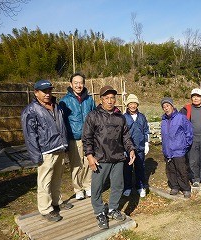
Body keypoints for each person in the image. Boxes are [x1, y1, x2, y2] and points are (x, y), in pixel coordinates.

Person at [82, 85, 136, 229]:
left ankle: (112, 209)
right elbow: (87, 138)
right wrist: (89, 156)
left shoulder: (120, 117)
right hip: (100, 159)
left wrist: (130, 149)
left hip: (118, 158)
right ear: (101, 100)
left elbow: (126, 136)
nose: (110, 101)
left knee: (118, 185)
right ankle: (99, 212)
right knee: (97, 187)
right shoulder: (93, 116)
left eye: (112, 98)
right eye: (107, 98)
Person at [21, 79, 72, 222]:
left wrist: (65, 145)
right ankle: (45, 209)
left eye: (49, 90)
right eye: (44, 91)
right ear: (36, 92)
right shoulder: (31, 111)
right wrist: (36, 155)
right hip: (46, 151)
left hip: (59, 148)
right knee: (45, 181)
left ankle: (56, 202)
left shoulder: (56, 106)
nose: (47, 94)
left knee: (57, 178)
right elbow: (30, 135)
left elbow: (62, 127)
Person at [59, 72, 96, 200]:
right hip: (73, 138)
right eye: (76, 83)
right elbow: (61, 122)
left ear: (84, 84)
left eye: (81, 83)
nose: (79, 85)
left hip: (89, 137)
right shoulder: (64, 101)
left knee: (88, 162)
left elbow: (95, 117)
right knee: (76, 164)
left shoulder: (89, 99)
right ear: (71, 84)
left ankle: (87, 185)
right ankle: (78, 188)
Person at [160, 97, 193, 198]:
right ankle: (175, 186)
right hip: (168, 150)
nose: (166, 108)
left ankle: (185, 188)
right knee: (171, 170)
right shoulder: (164, 120)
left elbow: (189, 132)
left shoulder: (181, 117)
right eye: (164, 107)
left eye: (168, 106)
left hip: (179, 149)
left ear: (172, 106)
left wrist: (185, 145)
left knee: (181, 170)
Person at [180, 88, 201, 187]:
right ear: (191, 98)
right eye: (194, 96)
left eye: (198, 96)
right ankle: (195, 178)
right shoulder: (186, 109)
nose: (196, 98)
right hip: (191, 139)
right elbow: (180, 122)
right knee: (193, 160)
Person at [123, 94, 150, 198]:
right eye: (130, 103)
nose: (133, 106)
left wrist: (146, 143)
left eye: (134, 103)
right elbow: (121, 133)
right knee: (127, 168)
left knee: (140, 167)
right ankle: (127, 187)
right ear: (127, 105)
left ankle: (140, 186)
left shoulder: (142, 117)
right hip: (127, 149)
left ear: (137, 104)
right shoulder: (124, 117)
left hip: (140, 147)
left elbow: (146, 130)